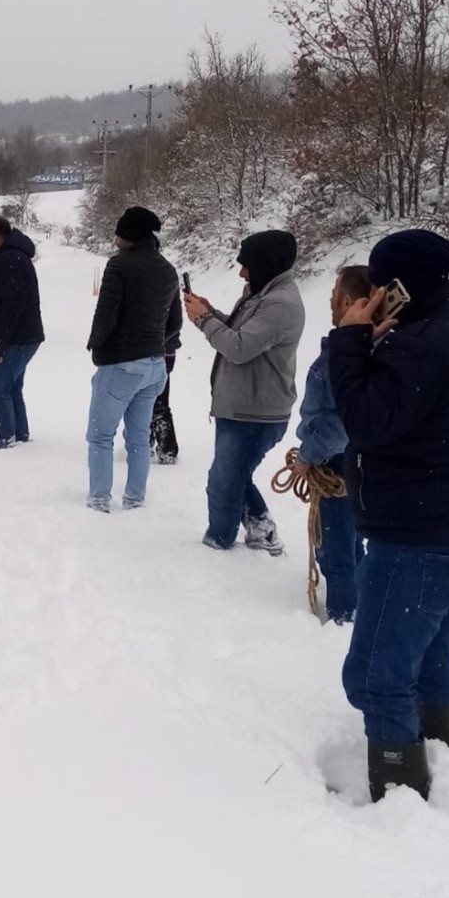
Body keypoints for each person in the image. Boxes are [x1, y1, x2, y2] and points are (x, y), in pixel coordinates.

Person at [327, 229, 449, 802]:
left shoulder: (422, 348)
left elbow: (362, 419)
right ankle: (440, 749)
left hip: (418, 541)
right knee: (433, 655)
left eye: (381, 284)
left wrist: (348, 339)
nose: (373, 292)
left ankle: (400, 795)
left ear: (401, 288)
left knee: (377, 676)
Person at [184, 230, 305, 553]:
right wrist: (211, 312)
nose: (240, 272)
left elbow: (237, 347)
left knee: (224, 481)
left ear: (265, 264)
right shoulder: (262, 294)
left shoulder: (280, 304)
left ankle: (218, 542)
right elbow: (242, 332)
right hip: (245, 406)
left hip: (256, 412)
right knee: (235, 475)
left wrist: (203, 320)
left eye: (246, 265)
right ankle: (262, 530)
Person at [85, 205, 182, 511]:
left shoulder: (119, 266)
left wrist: (97, 348)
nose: (114, 240)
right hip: (155, 367)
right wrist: (153, 341)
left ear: (130, 235)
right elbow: (175, 322)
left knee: (100, 436)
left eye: (119, 234)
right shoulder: (168, 270)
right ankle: (135, 499)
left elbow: (105, 317)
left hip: (121, 365)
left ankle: (99, 499)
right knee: (138, 440)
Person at [293, 265, 373, 622]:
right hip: (358, 462)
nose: (329, 302)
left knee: (337, 547)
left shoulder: (342, 361)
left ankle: (344, 615)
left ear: (346, 300)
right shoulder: (371, 350)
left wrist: (307, 458)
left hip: (336, 463)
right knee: (352, 541)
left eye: (332, 296)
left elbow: (338, 425)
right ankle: (358, 602)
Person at [0, 215, 44, 449]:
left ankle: (7, 440)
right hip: (23, 336)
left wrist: (0, 342)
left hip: (19, 338)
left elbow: (11, 305)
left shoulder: (10, 260)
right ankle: (19, 436)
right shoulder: (10, 257)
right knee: (11, 387)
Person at [150, 316, 182, 464]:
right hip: (159, 350)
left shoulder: (165, 293)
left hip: (159, 351)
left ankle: (167, 450)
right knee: (147, 402)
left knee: (157, 404)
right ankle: (145, 444)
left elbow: (175, 322)